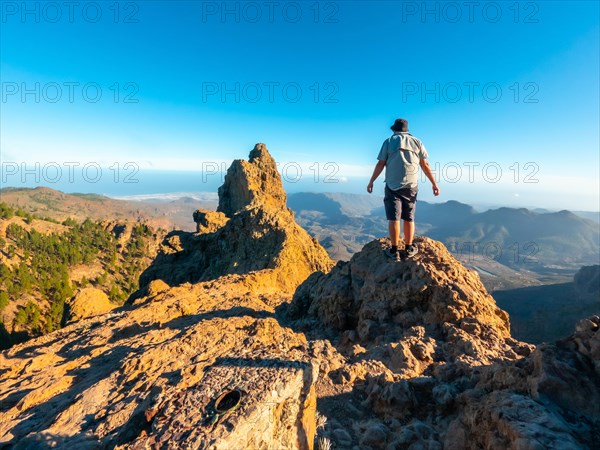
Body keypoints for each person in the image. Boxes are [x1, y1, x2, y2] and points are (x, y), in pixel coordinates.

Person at [367, 118, 440, 260]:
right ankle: (408, 248)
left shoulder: (388, 142)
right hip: (411, 186)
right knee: (409, 217)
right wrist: (434, 183)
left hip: (392, 185)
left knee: (394, 218)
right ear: (407, 130)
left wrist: (371, 181)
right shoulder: (417, 142)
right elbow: (425, 164)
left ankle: (394, 251)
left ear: (394, 129)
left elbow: (381, 164)